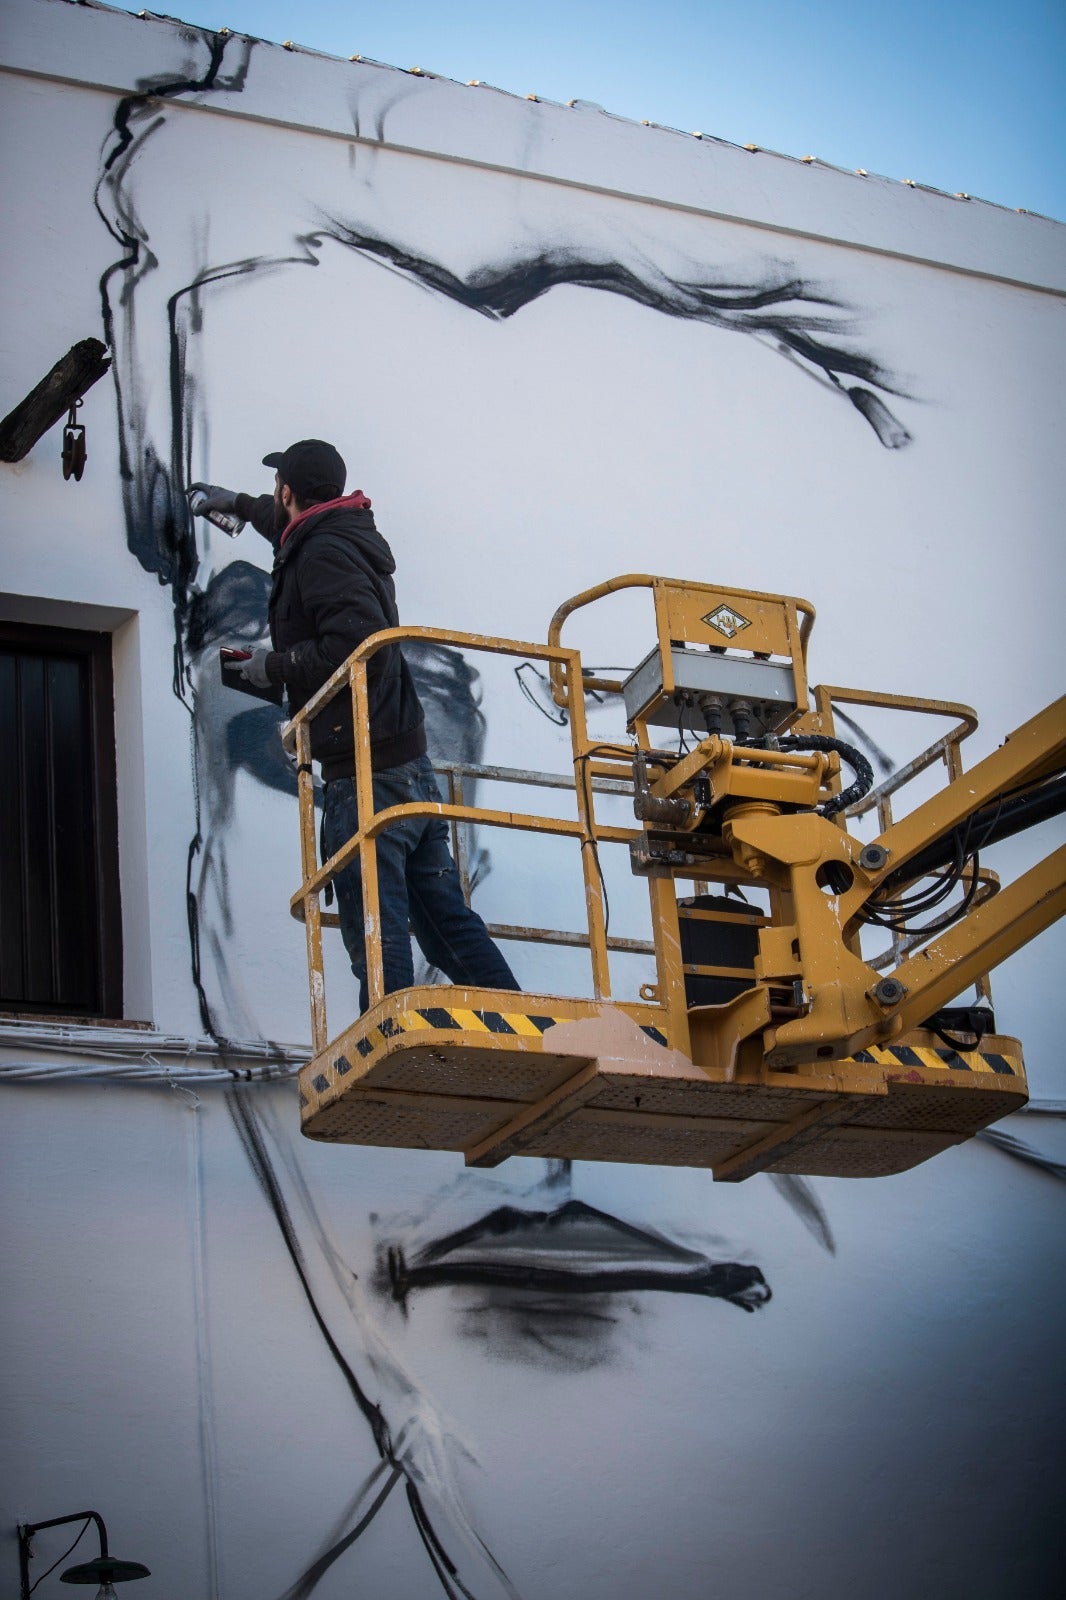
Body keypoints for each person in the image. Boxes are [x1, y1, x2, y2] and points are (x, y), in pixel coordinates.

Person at [197, 440, 520, 1014]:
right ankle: (526, 1023)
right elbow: (292, 532)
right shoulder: (338, 534)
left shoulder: (321, 554)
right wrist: (244, 507)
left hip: (368, 773)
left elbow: (354, 647)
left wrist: (270, 667)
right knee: (443, 921)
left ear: (290, 491)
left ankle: (389, 1036)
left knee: (376, 924)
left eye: (278, 490)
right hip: (405, 766)